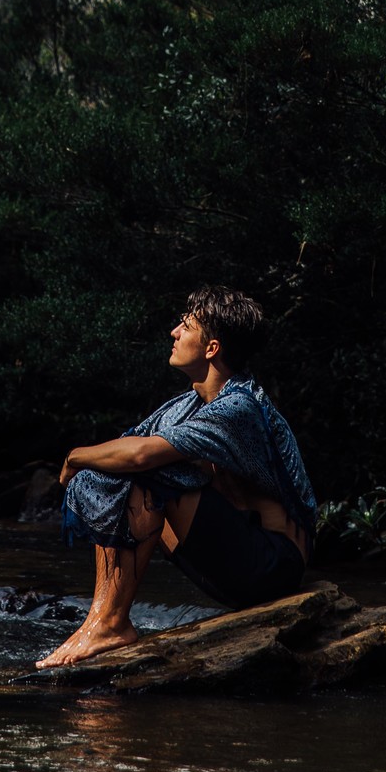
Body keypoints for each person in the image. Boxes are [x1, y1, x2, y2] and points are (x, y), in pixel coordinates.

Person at [36, 285, 316, 669]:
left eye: (185, 326)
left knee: (147, 475)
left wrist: (73, 458)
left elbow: (140, 454)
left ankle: (111, 623)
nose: (174, 333)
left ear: (212, 348)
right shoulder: (186, 406)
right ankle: (100, 619)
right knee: (113, 475)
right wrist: (91, 467)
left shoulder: (239, 407)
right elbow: (126, 448)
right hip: (231, 565)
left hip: (273, 568)